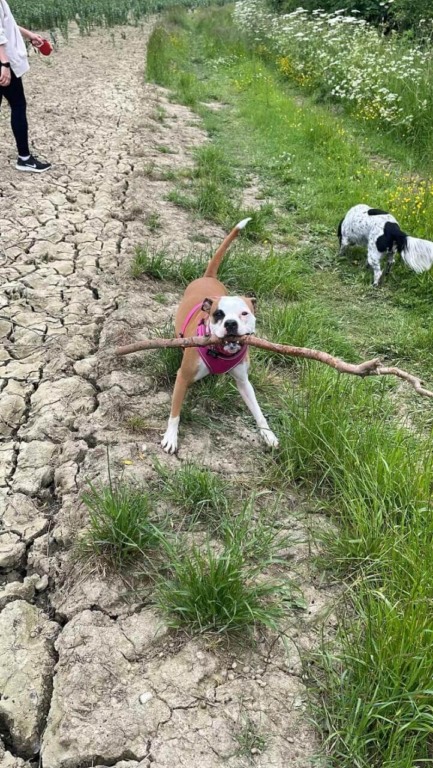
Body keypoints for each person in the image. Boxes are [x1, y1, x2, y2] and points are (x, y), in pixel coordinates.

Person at [0, 0, 51, 172]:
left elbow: (8, 24)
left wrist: (30, 35)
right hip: (4, 63)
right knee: (18, 105)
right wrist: (4, 64)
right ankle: (24, 158)